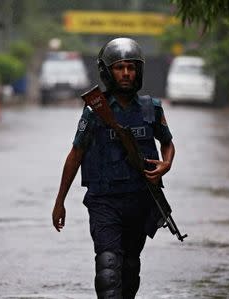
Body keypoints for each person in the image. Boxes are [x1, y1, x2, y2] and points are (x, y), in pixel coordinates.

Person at [52, 37, 175, 299]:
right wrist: (60, 201)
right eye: (120, 68)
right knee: (108, 268)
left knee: (129, 268)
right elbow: (76, 154)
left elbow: (168, 143)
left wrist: (166, 165)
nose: (126, 73)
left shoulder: (152, 108)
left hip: (140, 200)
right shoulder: (95, 110)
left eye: (131, 68)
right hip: (104, 202)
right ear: (109, 72)